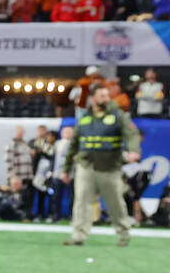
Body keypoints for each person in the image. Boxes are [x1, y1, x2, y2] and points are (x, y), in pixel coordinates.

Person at [60, 85, 142, 246]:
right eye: (102, 96)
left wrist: (134, 150)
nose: (106, 99)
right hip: (86, 166)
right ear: (93, 98)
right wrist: (66, 169)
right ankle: (78, 236)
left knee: (115, 203)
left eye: (107, 95)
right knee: (81, 202)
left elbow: (132, 134)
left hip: (110, 167)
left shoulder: (117, 115)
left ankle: (123, 234)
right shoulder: (84, 118)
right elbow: (74, 144)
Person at [4, 126, 34, 218]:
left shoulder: (25, 144)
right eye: (19, 132)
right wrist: (12, 175)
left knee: (27, 197)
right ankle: (13, 214)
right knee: (16, 197)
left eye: (22, 132)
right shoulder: (11, 144)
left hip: (27, 176)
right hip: (17, 177)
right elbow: (8, 160)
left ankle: (26, 215)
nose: (21, 134)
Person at [30, 125, 56, 222]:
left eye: (51, 136)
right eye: (48, 136)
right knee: (40, 195)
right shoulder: (40, 144)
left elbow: (52, 157)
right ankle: (39, 214)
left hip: (50, 175)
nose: (49, 138)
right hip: (40, 174)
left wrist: (42, 152)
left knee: (51, 195)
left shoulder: (55, 147)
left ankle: (51, 214)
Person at [49, 125, 75, 223]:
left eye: (69, 132)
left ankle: (72, 216)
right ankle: (56, 216)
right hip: (57, 174)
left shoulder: (75, 144)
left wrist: (69, 173)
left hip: (71, 175)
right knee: (56, 196)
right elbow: (53, 159)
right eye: (65, 132)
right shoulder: (57, 144)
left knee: (72, 197)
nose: (67, 134)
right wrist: (51, 171)